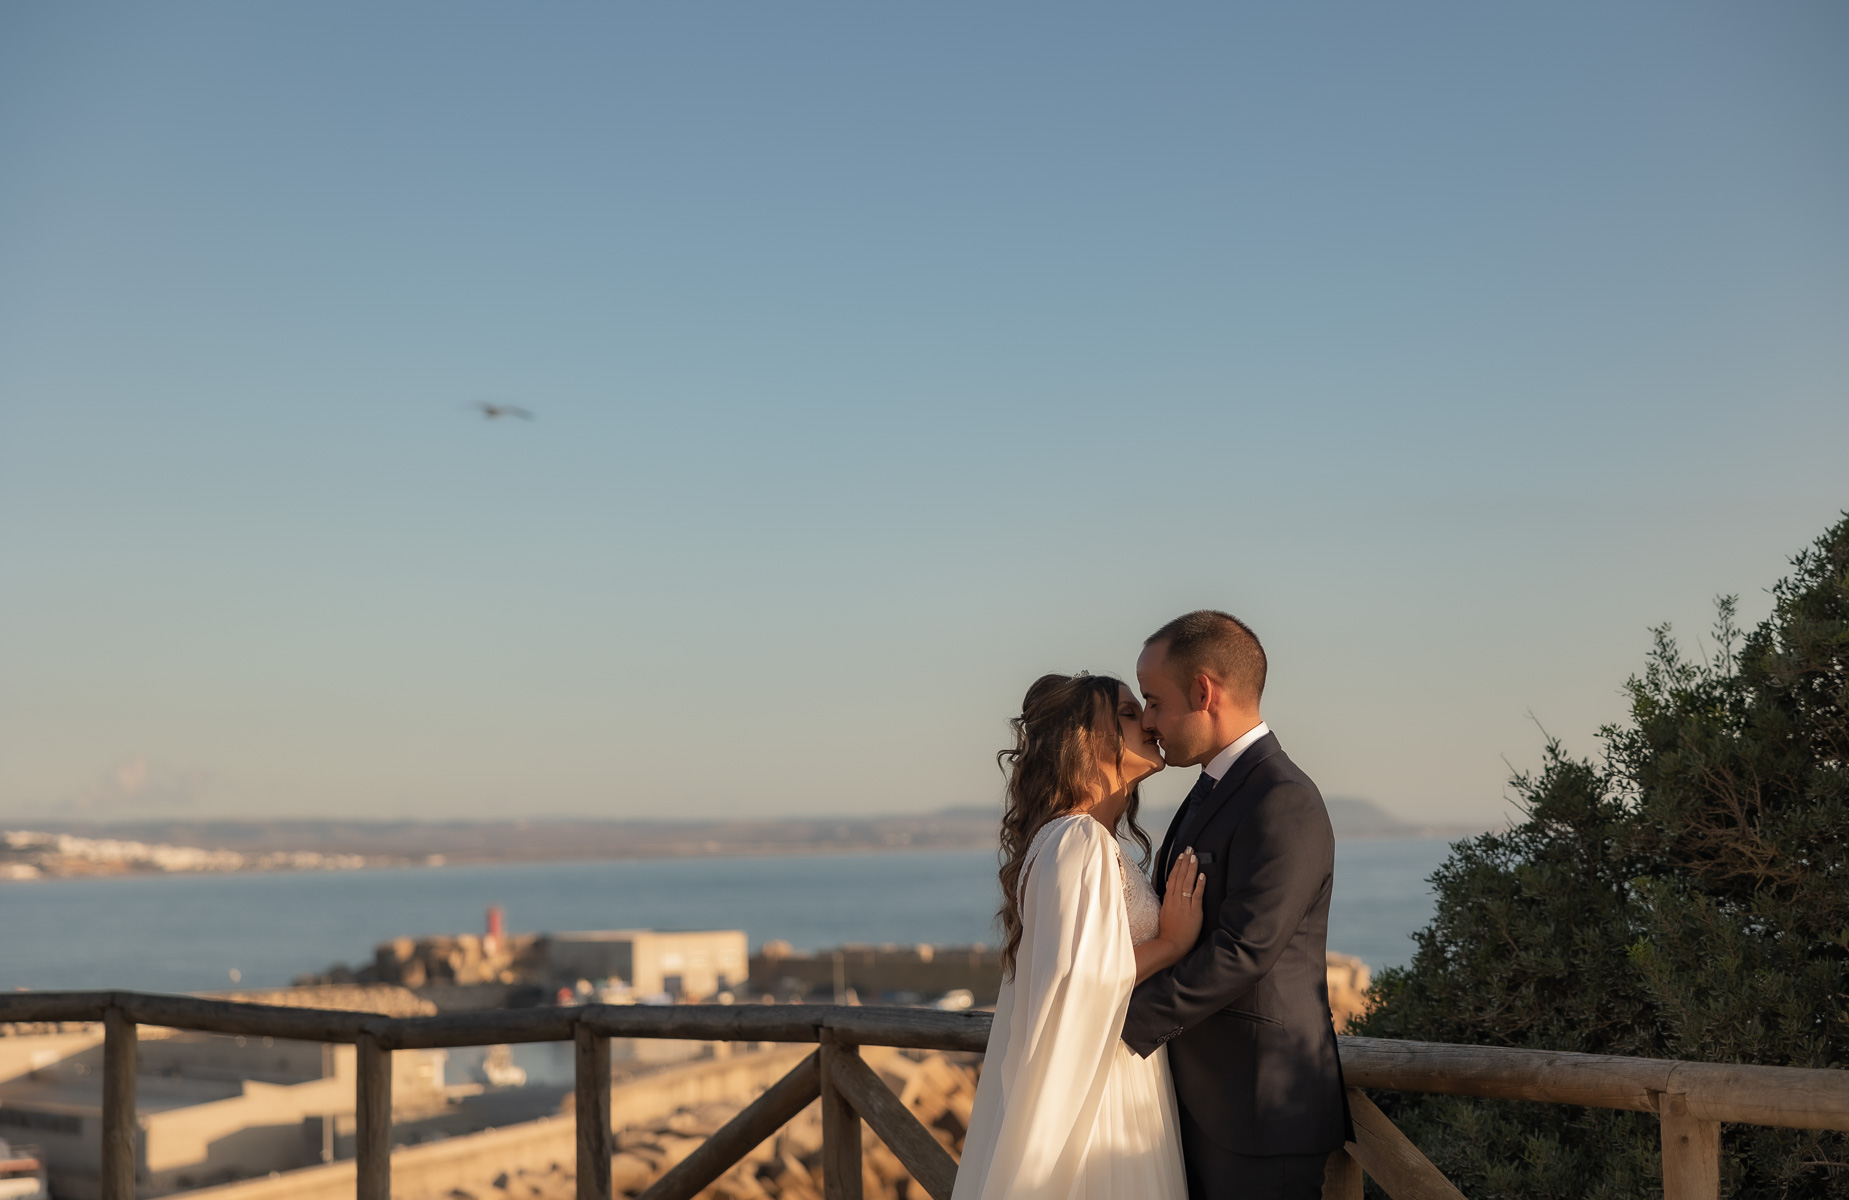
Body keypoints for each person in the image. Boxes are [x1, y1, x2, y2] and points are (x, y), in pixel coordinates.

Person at [1122, 610, 1351, 1200]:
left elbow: (1243, 949)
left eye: (1153, 700)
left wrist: (1122, 1024)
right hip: (1200, 1104)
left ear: (1203, 691)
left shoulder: (1284, 800)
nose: (1148, 721)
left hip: (1260, 1112)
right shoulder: (1210, 790)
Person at [952, 672, 1207, 1200]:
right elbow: (1077, 982)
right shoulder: (1080, 841)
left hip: (1115, 1072)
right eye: (1130, 714)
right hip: (1101, 1096)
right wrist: (1172, 944)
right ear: (1088, 739)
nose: (1152, 724)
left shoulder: (1078, 838)